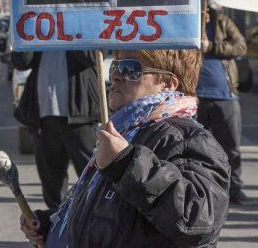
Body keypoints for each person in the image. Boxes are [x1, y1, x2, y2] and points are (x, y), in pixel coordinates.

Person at [20, 49, 231, 247]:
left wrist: (127, 162)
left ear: (167, 83)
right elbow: (113, 214)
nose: (115, 76)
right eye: (115, 66)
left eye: (131, 69)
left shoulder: (187, 137)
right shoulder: (129, 129)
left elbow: (199, 220)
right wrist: (54, 226)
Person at [11, 50, 100, 209]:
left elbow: (93, 57)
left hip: (80, 117)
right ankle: (57, 220)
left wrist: (71, 34)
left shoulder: (83, 33)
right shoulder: (38, 35)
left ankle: (94, 217)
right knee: (52, 183)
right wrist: (28, 35)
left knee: (93, 176)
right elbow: (21, 62)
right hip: (44, 118)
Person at [196, 1, 252, 205]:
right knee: (196, 148)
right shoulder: (187, 24)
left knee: (231, 147)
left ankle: (234, 189)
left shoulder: (223, 22)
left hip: (225, 96)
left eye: (206, 8)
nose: (204, 11)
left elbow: (241, 46)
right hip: (195, 97)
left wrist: (212, 46)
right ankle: (201, 192)